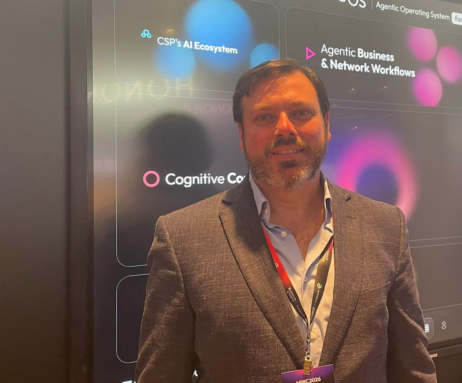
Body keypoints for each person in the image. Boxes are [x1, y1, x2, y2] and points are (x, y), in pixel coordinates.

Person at [136, 59, 437, 382]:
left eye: (301, 112)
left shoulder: (385, 225)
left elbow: (413, 370)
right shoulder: (182, 239)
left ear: (326, 123)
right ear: (241, 133)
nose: (285, 129)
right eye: (264, 117)